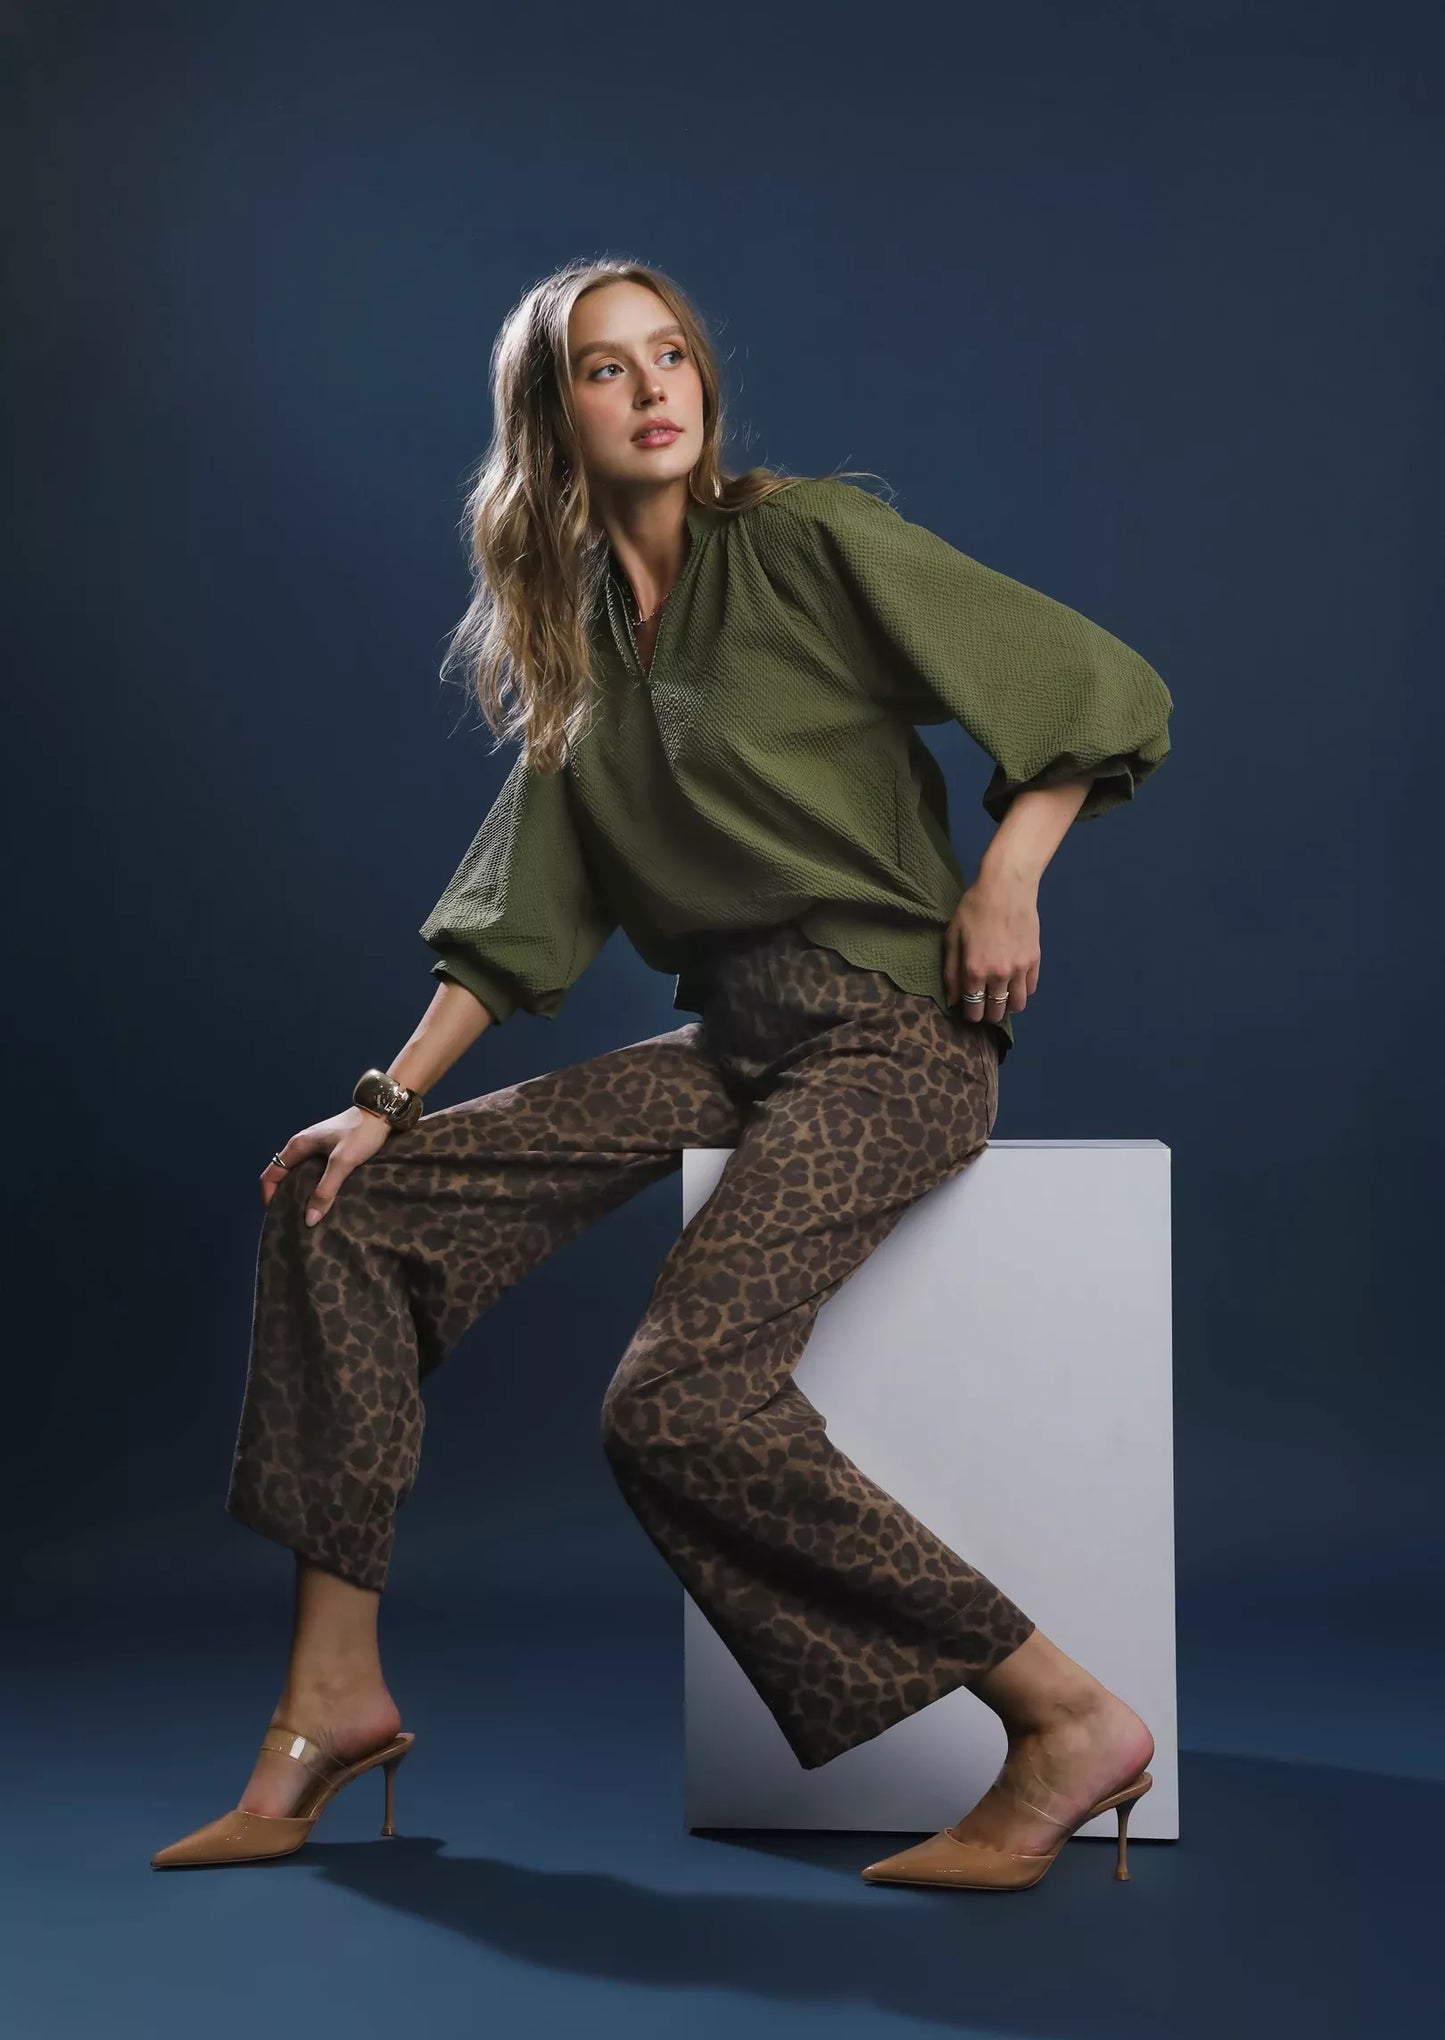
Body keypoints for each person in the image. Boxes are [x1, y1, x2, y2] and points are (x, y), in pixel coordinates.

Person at [151, 257, 1172, 1890]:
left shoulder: (808, 541)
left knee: (678, 1405)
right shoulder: (574, 653)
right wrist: (383, 1103)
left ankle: (1059, 1715)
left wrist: (1006, 876)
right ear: (549, 417)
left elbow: (1095, 689)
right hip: (736, 1043)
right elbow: (509, 931)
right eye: (607, 369)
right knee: (344, 1210)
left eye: (672, 354)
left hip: (892, 1034)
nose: (654, 388)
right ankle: (329, 1695)